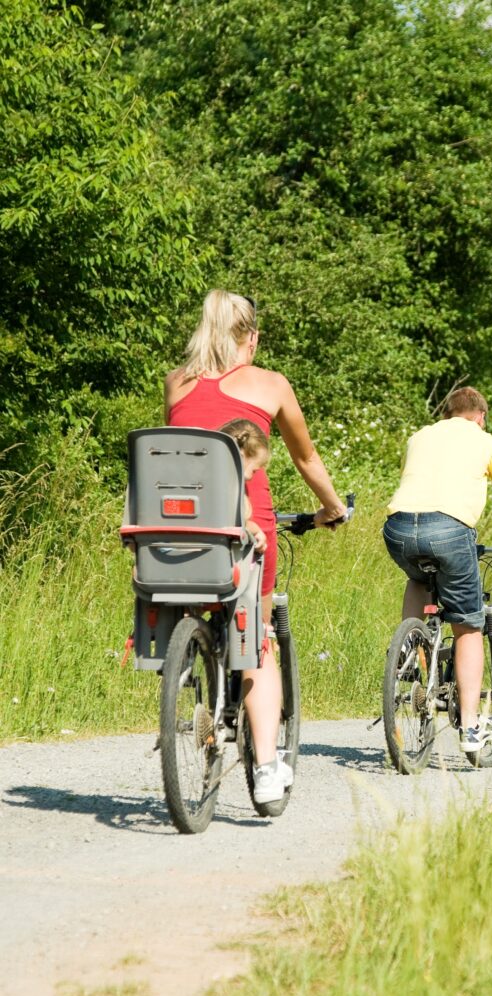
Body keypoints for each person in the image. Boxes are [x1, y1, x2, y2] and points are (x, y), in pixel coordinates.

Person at [165, 289, 347, 803]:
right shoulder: (270, 384)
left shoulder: (176, 383)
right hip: (247, 535)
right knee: (259, 642)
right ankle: (267, 768)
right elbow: (306, 459)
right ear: (251, 337)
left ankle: (198, 671)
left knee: (206, 607)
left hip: (178, 537)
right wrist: (333, 509)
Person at [383, 386, 492, 753]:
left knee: (418, 577)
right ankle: (470, 728)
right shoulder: (487, 442)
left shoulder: (419, 436)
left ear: (447, 414)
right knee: (468, 624)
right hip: (451, 530)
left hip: (398, 529)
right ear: (481, 417)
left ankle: (411, 646)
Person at [219, 419, 270, 555]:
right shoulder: (228, 492)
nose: (252, 477)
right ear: (240, 457)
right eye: (254, 470)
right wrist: (256, 529)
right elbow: (236, 526)